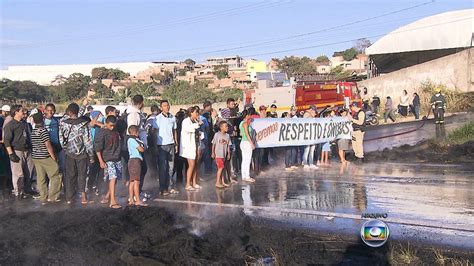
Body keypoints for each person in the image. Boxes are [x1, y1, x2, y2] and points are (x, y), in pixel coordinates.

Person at [60, 103, 94, 204]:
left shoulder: (63, 123)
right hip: (82, 154)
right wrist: (91, 155)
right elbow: (88, 141)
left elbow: (61, 140)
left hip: (69, 153)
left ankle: (70, 198)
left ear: (69, 112)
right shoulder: (84, 124)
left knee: (70, 175)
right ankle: (83, 196)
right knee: (82, 175)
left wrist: (66, 149)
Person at [3, 105, 36, 198]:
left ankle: (27, 189)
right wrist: (11, 154)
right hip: (17, 150)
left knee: (29, 170)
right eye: (22, 111)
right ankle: (19, 191)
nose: (24, 113)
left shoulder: (25, 123)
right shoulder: (10, 125)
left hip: (27, 150)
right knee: (18, 173)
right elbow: (7, 140)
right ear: (16, 112)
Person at [30, 113, 62, 205]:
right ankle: (53, 196)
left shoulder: (33, 131)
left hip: (36, 157)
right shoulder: (43, 131)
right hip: (45, 156)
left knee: (41, 177)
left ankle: (43, 196)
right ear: (42, 120)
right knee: (56, 174)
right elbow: (48, 145)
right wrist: (53, 157)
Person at [95, 115, 122, 209]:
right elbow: (98, 148)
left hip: (117, 157)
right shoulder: (102, 133)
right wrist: (101, 161)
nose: (112, 127)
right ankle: (113, 201)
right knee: (113, 177)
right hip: (108, 158)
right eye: (110, 125)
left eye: (114, 125)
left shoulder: (116, 131)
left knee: (115, 178)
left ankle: (107, 196)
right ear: (106, 123)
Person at [154, 100, 179, 195]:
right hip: (161, 146)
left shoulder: (172, 118)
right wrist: (156, 146)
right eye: (164, 106)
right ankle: (162, 188)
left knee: (171, 168)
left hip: (171, 144)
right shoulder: (157, 118)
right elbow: (155, 132)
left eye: (168, 105)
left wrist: (176, 143)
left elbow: (174, 131)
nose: (167, 107)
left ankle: (170, 186)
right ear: (161, 108)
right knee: (162, 168)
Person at [126, 95, 148, 195]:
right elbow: (132, 131)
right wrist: (139, 144)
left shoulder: (137, 113)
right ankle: (136, 193)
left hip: (139, 145)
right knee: (139, 171)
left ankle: (138, 191)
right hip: (136, 149)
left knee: (142, 170)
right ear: (141, 103)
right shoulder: (133, 114)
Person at [180, 106, 202, 191]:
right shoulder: (186, 121)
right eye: (196, 112)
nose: (197, 114)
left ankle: (194, 182)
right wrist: (197, 124)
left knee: (196, 164)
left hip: (196, 144)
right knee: (191, 164)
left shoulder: (195, 121)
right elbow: (189, 129)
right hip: (188, 146)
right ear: (191, 113)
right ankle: (188, 184)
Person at [127, 125, 147, 207]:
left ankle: (131, 199)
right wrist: (143, 145)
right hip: (135, 161)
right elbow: (141, 149)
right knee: (136, 181)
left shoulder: (130, 140)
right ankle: (138, 200)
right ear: (136, 132)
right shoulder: (132, 140)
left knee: (132, 181)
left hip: (132, 161)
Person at [212, 121, 231, 188]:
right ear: (221, 127)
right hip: (218, 154)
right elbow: (213, 144)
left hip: (224, 154)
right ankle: (217, 182)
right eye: (225, 126)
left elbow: (228, 145)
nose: (227, 127)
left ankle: (223, 182)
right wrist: (213, 152)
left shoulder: (227, 135)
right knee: (221, 168)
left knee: (223, 168)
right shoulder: (217, 135)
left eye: (227, 126)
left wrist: (229, 154)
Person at [240, 108, 256, 183]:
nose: (250, 116)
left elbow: (241, 133)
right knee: (248, 160)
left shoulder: (241, 123)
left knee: (244, 160)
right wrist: (252, 143)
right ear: (246, 116)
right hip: (246, 142)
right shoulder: (245, 123)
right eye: (249, 115)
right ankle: (247, 176)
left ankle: (244, 176)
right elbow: (247, 134)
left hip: (243, 142)